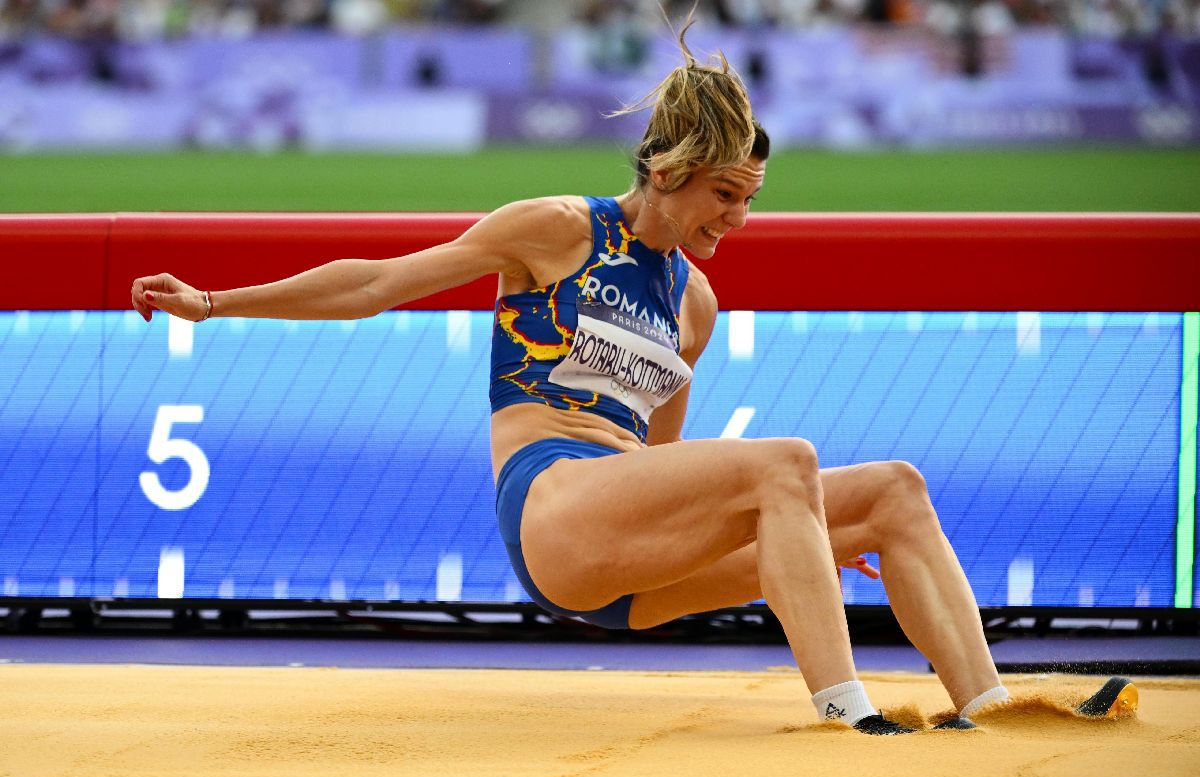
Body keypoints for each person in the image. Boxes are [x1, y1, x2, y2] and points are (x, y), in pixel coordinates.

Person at [131, 25, 1130, 735]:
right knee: (788, 461)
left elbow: (667, 464)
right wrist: (215, 302)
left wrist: (795, 535)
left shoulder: (695, 304)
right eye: (724, 194)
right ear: (666, 170)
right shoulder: (559, 229)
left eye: (750, 200)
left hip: (628, 553)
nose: (737, 218)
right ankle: (850, 714)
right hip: (554, 512)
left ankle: (992, 703)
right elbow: (381, 283)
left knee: (891, 493)